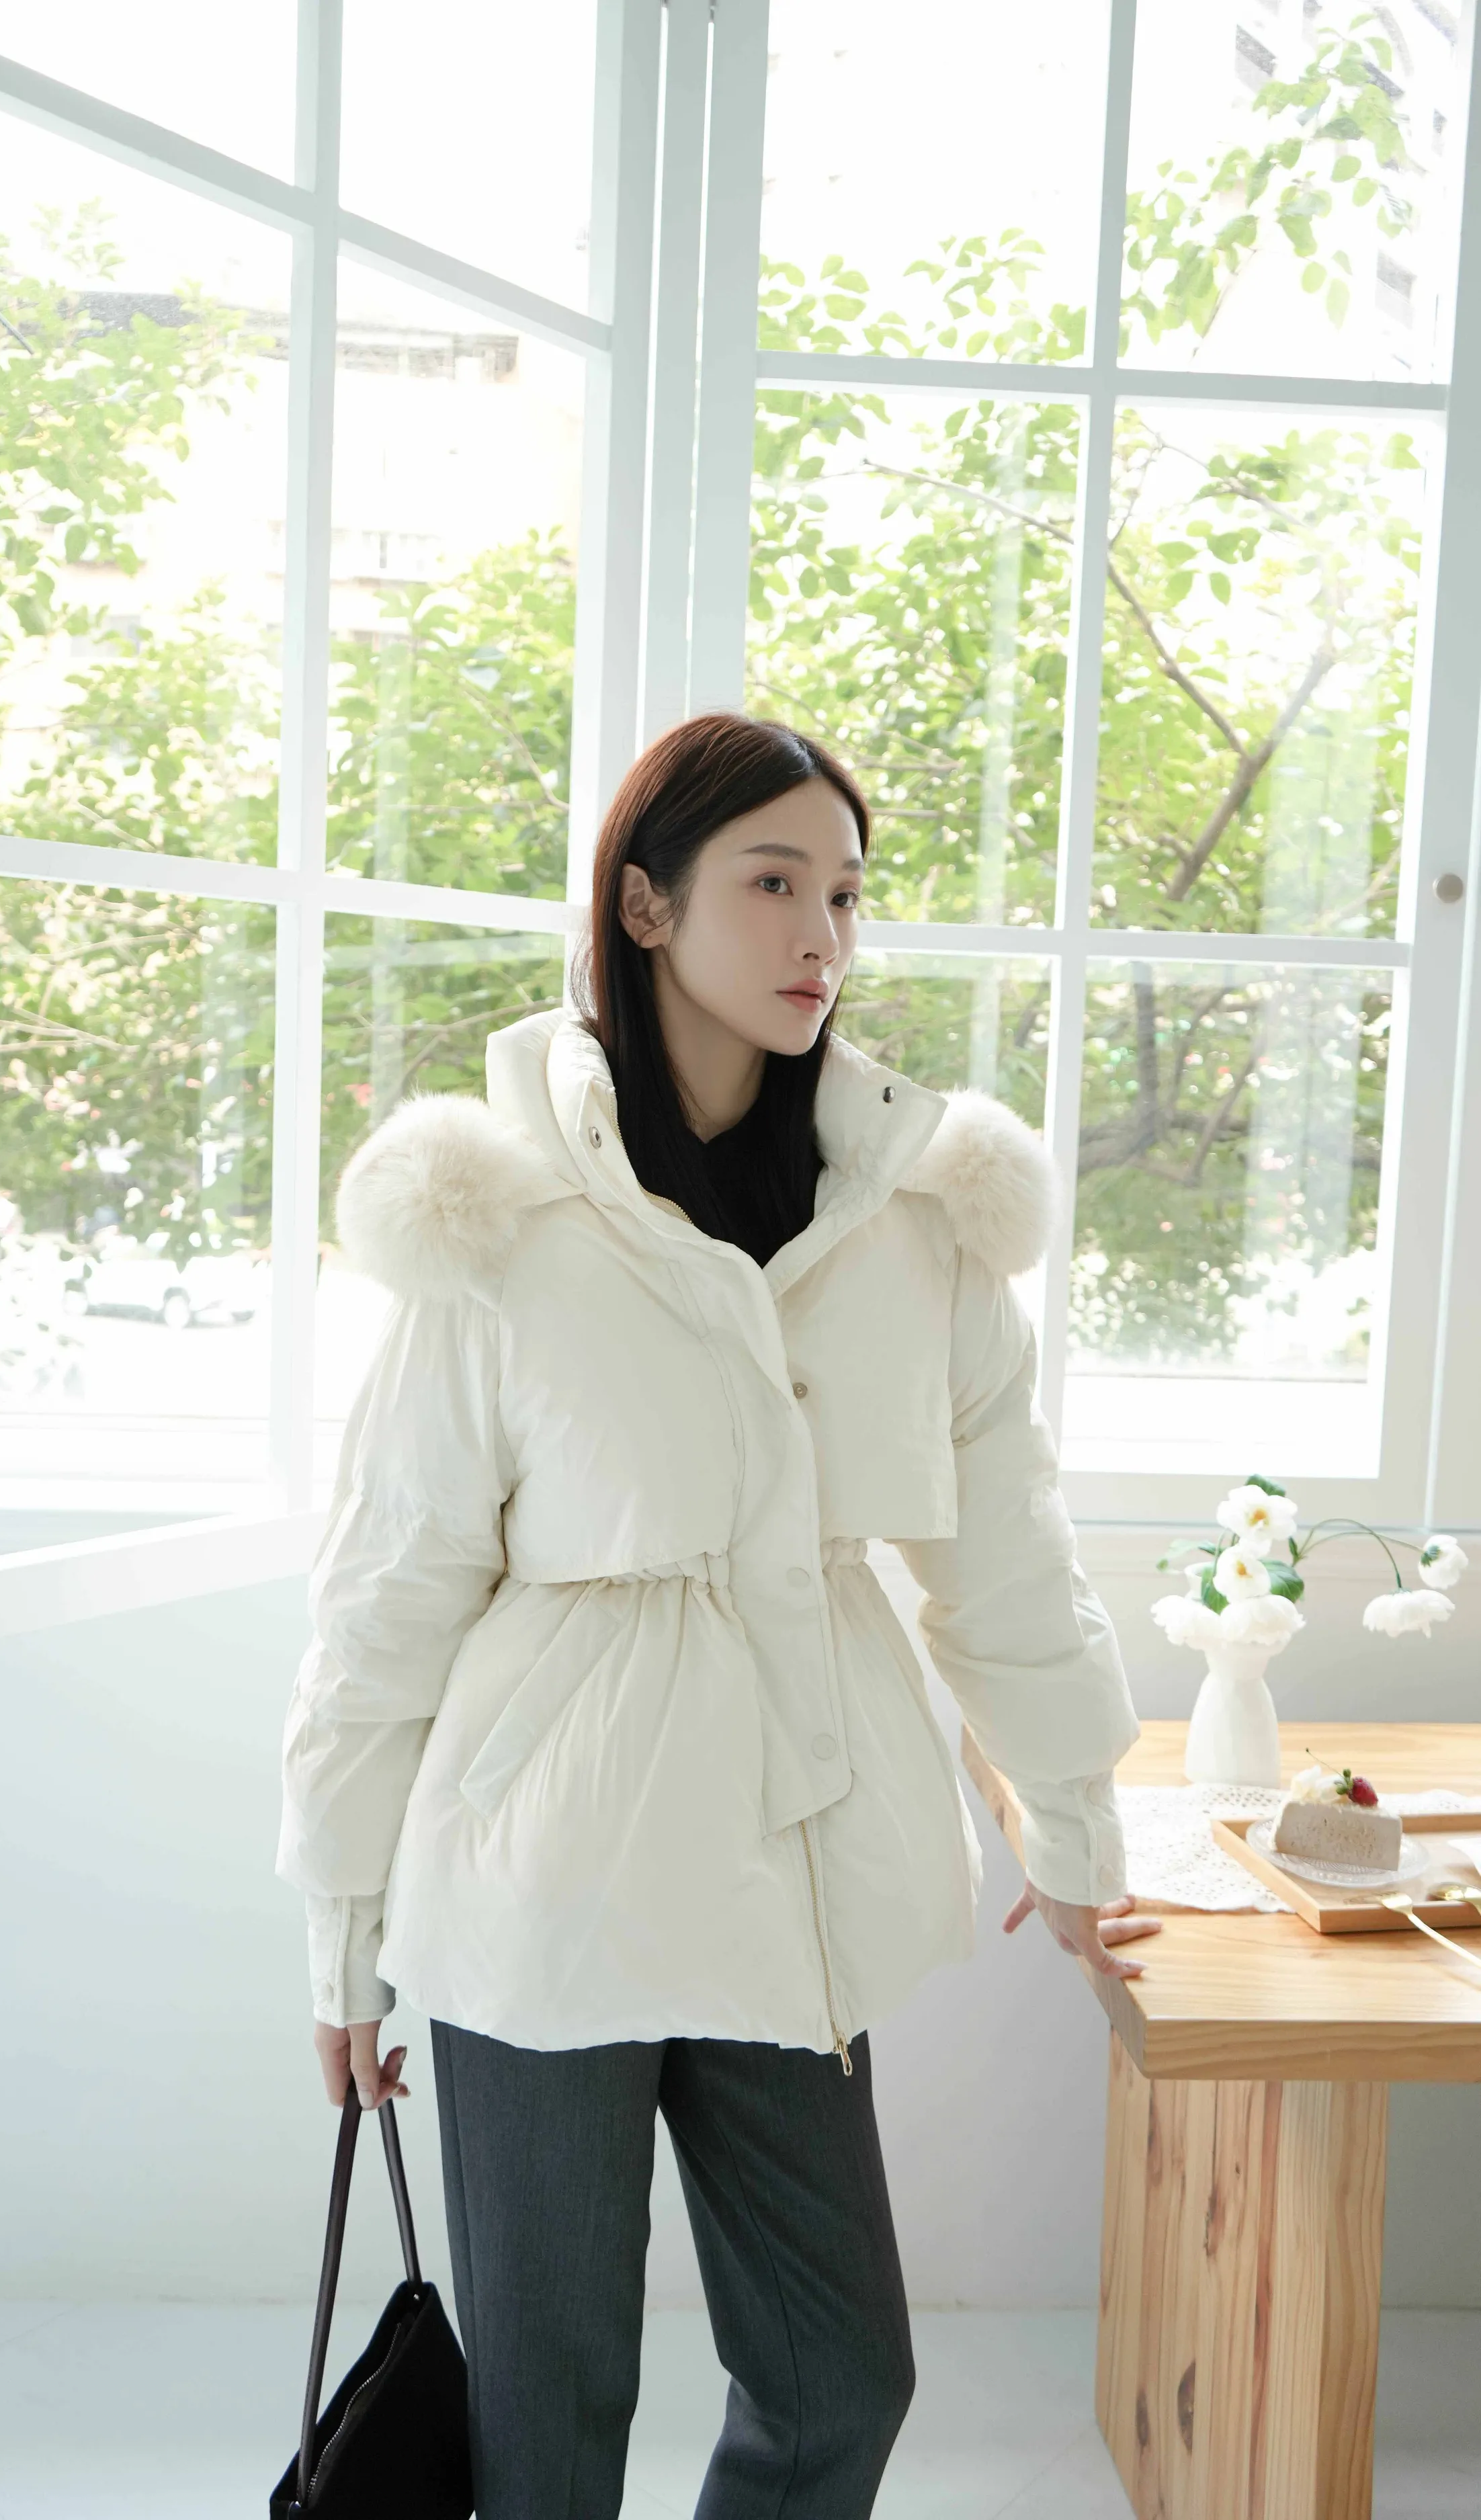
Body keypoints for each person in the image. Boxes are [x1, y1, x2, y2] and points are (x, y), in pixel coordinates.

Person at [276, 712, 1161, 2518]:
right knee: (547, 2422)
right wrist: (343, 1925)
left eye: (843, 892)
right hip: (540, 1875)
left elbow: (1005, 1550)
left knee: (841, 2377)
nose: (820, 934)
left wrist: (1074, 1822)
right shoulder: (501, 1218)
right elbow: (390, 1585)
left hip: (791, 1860)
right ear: (646, 904)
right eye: (771, 882)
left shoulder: (916, 1223)